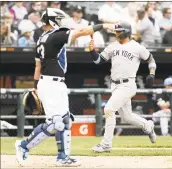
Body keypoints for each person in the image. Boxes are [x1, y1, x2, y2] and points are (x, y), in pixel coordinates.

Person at [14, 8, 113, 166]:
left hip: (51, 83)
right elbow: (83, 31)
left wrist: (35, 87)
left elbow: (37, 67)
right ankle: (24, 146)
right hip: (51, 84)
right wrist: (105, 26)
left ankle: (63, 157)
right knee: (57, 122)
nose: (61, 22)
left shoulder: (41, 38)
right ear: (52, 20)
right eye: (58, 19)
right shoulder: (55, 35)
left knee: (66, 120)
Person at [89, 21, 157, 153]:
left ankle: (106, 144)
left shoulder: (137, 47)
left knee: (109, 109)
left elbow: (151, 60)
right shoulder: (112, 46)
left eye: (119, 31)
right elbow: (98, 61)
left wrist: (152, 74)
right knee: (127, 117)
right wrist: (92, 51)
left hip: (127, 84)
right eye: (116, 31)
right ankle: (148, 126)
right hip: (114, 84)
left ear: (126, 32)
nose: (116, 33)